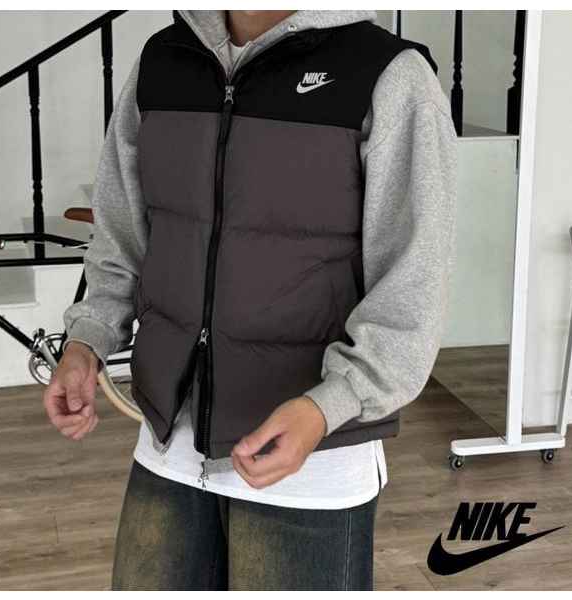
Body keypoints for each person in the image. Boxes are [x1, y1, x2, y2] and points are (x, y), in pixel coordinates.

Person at [43, 10, 457, 591]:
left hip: (310, 463)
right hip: (169, 445)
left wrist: (328, 406)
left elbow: (412, 286)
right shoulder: (163, 63)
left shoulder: (388, 75)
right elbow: (123, 236)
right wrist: (87, 341)